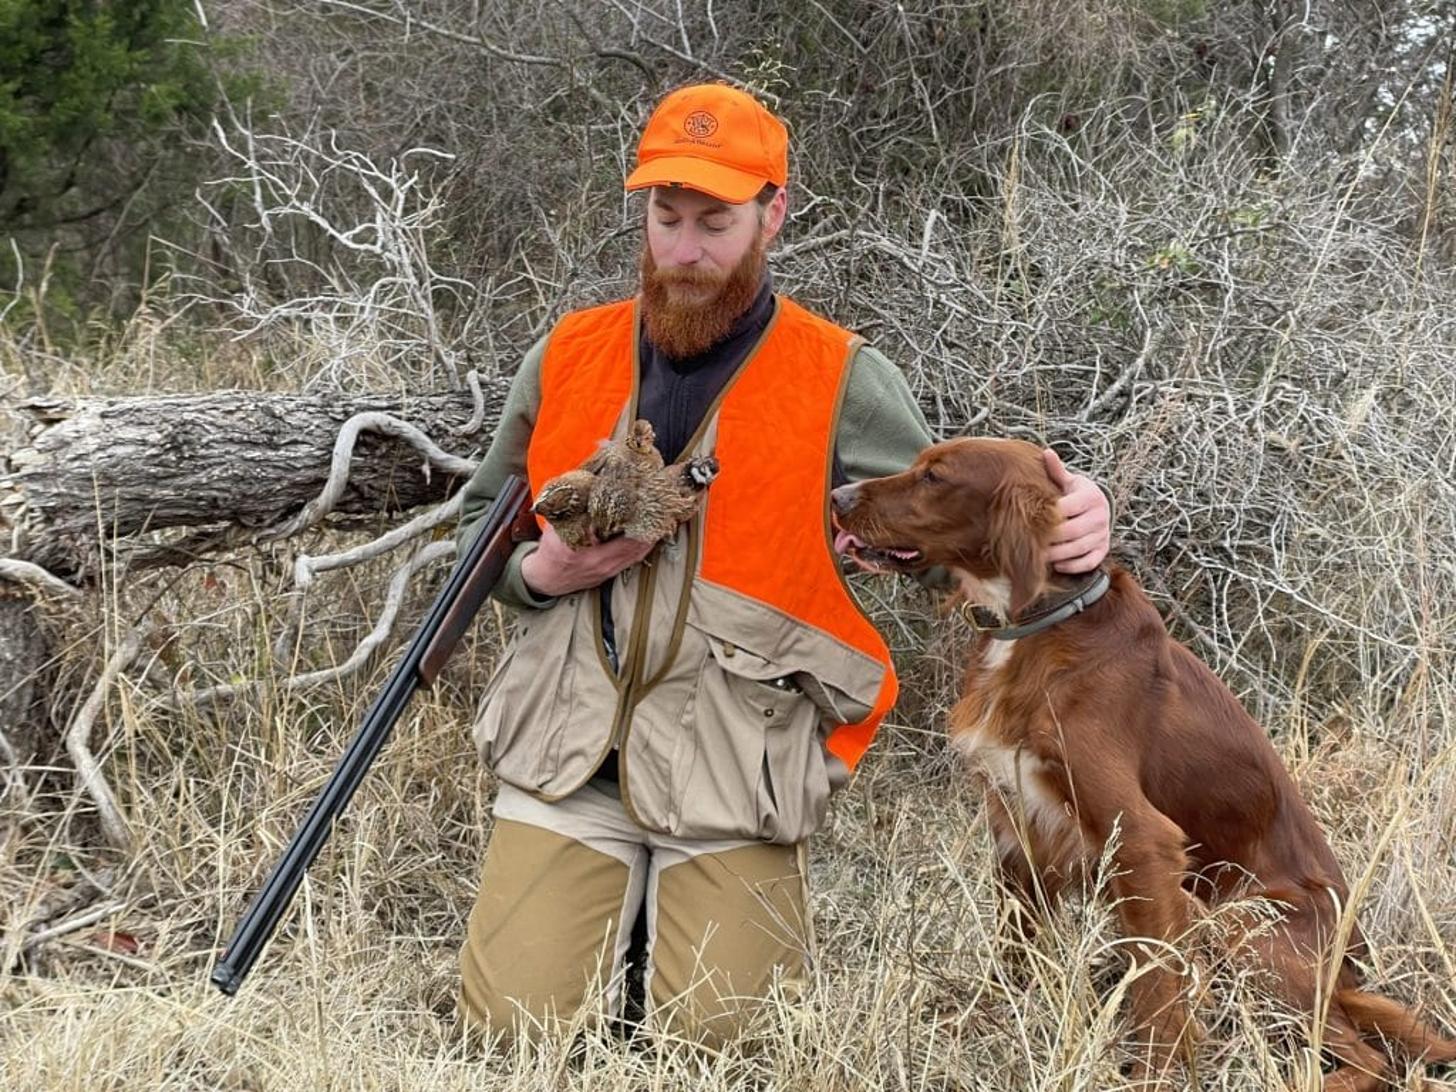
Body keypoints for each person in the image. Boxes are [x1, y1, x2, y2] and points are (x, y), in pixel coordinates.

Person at [453, 82, 1111, 1047]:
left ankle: (654, 937)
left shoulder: (841, 376)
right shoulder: (569, 352)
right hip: (564, 763)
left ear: (774, 213)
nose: (684, 251)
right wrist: (535, 576)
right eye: (664, 218)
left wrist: (1069, 523)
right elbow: (479, 521)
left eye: (715, 222)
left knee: (726, 1047)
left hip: (730, 778)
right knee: (511, 1038)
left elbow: (950, 540)